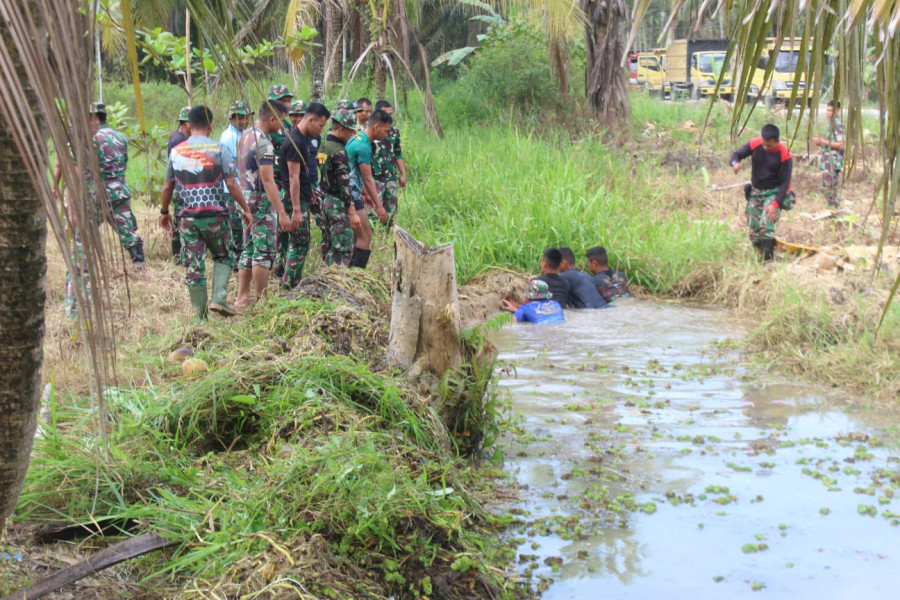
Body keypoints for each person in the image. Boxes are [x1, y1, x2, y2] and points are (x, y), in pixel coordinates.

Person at [159, 106, 252, 321]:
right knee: (224, 256)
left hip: (187, 218)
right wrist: (246, 209)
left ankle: (200, 318)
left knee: (194, 266)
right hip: (216, 215)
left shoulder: (176, 151)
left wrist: (164, 212)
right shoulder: (219, 149)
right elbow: (231, 184)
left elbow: (167, 186)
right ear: (210, 125)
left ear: (189, 125)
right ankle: (219, 298)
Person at [234, 100, 293, 310]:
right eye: (282, 121)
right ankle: (262, 301)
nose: (283, 126)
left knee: (249, 247)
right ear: (272, 119)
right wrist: (282, 213)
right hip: (259, 199)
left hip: (244, 196)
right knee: (264, 251)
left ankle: (242, 297)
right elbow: (268, 181)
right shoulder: (264, 143)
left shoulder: (245, 136)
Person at [89, 102, 145, 265]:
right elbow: (124, 163)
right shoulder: (121, 137)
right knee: (126, 229)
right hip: (120, 190)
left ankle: (89, 263)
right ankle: (139, 261)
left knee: (88, 229)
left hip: (98, 191)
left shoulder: (91, 139)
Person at [281, 102, 330, 288]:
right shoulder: (294, 142)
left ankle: (291, 284)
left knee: (300, 244)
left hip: (303, 196)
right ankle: (288, 287)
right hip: (295, 200)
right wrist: (296, 209)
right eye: (320, 125)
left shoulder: (304, 139)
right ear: (310, 120)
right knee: (299, 245)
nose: (321, 130)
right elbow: (293, 177)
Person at [730, 123, 795, 261]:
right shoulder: (755, 143)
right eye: (764, 144)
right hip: (756, 191)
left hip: (773, 192)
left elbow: (786, 183)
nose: (765, 147)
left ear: (777, 141)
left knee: (766, 225)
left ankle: (768, 260)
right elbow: (736, 154)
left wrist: (776, 204)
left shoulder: (785, 155)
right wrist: (735, 163)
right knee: (753, 229)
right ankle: (759, 254)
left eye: (769, 145)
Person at [345, 109, 391, 268]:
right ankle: (356, 275)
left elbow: (357, 173)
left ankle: (348, 272)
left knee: (355, 236)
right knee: (365, 236)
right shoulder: (364, 146)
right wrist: (379, 206)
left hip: (349, 192)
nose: (386, 135)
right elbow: (368, 178)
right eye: (386, 131)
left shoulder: (357, 138)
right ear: (376, 127)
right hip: (351, 194)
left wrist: (366, 193)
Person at [318, 108, 360, 267]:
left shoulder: (324, 147)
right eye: (350, 131)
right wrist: (352, 211)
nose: (352, 135)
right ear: (341, 128)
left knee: (329, 246)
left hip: (326, 201)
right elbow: (344, 183)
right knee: (342, 249)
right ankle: (333, 280)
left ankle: (323, 277)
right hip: (338, 204)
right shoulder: (339, 151)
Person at [268, 85, 295, 279]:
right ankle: (276, 266)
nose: (287, 104)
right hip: (272, 183)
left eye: (288, 100)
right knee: (276, 227)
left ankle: (283, 264)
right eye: (282, 101)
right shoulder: (267, 128)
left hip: (286, 182)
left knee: (286, 227)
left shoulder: (287, 126)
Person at [220, 100, 251, 264]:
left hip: (240, 186)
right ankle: (237, 261)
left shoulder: (242, 134)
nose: (243, 121)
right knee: (236, 227)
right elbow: (236, 167)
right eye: (239, 117)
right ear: (232, 118)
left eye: (245, 117)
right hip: (232, 188)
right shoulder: (230, 137)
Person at [372, 100, 407, 223]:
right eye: (385, 113)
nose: (389, 117)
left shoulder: (394, 132)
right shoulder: (369, 131)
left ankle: (388, 233)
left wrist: (403, 174)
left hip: (390, 178)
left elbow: (398, 154)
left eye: (390, 114)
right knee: (373, 212)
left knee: (391, 212)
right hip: (374, 178)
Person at [167, 106, 191, 262]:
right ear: (187, 124)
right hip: (181, 186)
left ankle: (179, 255)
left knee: (179, 221)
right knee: (180, 221)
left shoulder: (177, 137)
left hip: (180, 185)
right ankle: (178, 255)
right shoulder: (179, 141)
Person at [812, 100, 844, 209]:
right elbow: (830, 144)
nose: (829, 113)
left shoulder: (837, 125)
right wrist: (821, 143)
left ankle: (835, 207)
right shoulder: (832, 125)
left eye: (831, 111)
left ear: (838, 111)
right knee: (829, 187)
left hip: (833, 162)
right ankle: (834, 208)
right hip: (829, 161)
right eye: (828, 110)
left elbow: (841, 145)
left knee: (827, 186)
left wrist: (823, 141)